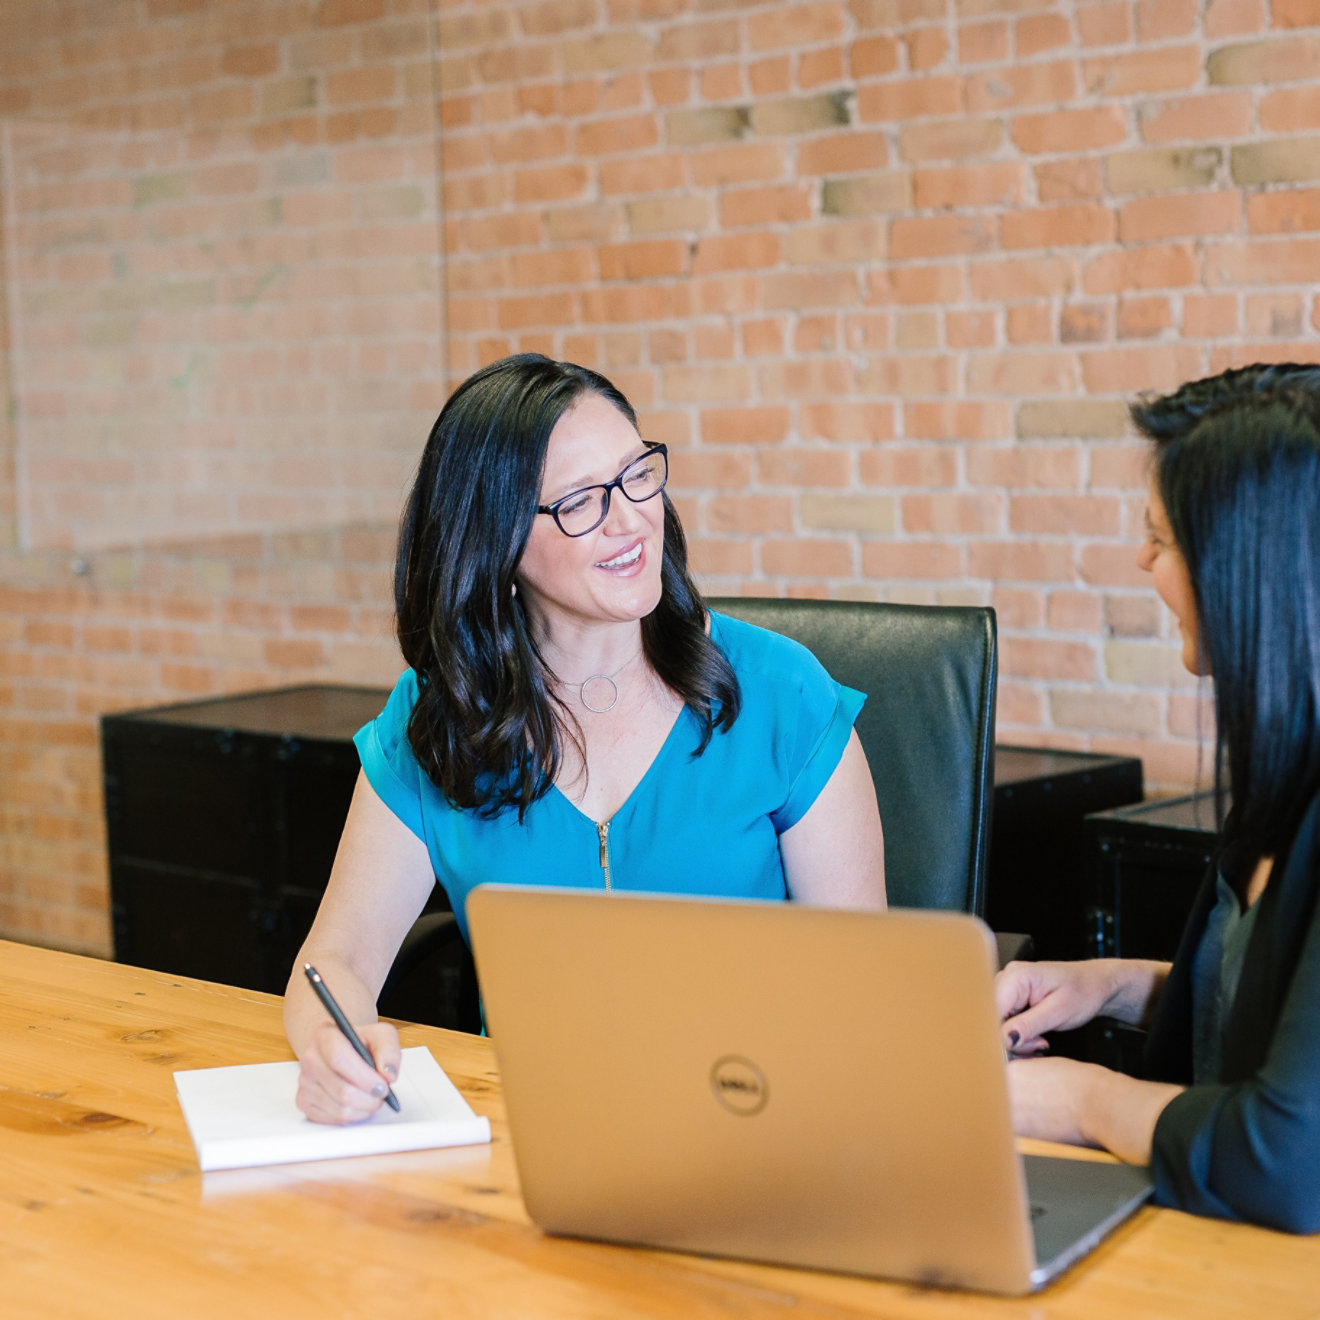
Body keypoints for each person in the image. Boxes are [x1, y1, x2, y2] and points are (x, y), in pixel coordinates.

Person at [285, 353, 886, 1124]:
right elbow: (332, 961)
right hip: (532, 1132)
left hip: (758, 1119)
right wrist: (331, 1051)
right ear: (495, 543)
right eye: (580, 502)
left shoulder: (781, 694)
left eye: (639, 475)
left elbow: (864, 985)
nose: (632, 517)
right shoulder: (438, 719)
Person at [996, 362, 1320, 1232]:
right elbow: (1286, 1021)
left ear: (1249, 569)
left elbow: (1287, 1158)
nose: (1141, 561)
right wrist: (1111, 985)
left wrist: (1080, 1100)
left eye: (1162, 539)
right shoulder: (1286, 779)